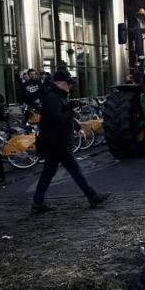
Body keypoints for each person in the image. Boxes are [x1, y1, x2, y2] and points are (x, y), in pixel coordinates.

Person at [32, 70, 109, 213]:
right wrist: (71, 111)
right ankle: (92, 196)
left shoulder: (56, 97)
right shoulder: (53, 98)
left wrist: (78, 127)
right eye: (68, 84)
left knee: (49, 173)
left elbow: (65, 116)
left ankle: (38, 202)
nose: (70, 87)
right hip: (57, 142)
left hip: (55, 142)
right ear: (60, 83)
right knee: (74, 170)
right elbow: (58, 119)